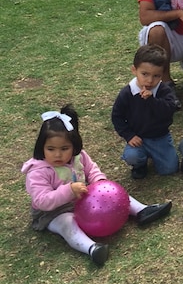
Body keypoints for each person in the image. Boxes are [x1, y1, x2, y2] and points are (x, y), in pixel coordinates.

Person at [22, 106, 172, 266]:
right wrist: (69, 190)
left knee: (115, 194)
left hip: (82, 199)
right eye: (50, 149)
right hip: (53, 212)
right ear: (41, 147)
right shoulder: (38, 172)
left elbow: (91, 169)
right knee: (67, 223)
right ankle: (92, 248)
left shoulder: (79, 157)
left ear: (74, 146)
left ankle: (142, 210)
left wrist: (99, 181)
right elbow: (42, 201)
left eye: (64, 149)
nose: (57, 154)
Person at [111, 44, 179, 179]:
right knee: (132, 156)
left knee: (170, 169)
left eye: (156, 76)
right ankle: (140, 164)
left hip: (160, 136)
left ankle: (157, 155)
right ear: (134, 70)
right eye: (144, 74)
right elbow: (117, 116)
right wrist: (129, 135)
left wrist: (152, 100)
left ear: (162, 75)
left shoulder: (163, 90)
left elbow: (169, 110)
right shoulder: (127, 93)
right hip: (139, 138)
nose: (149, 80)